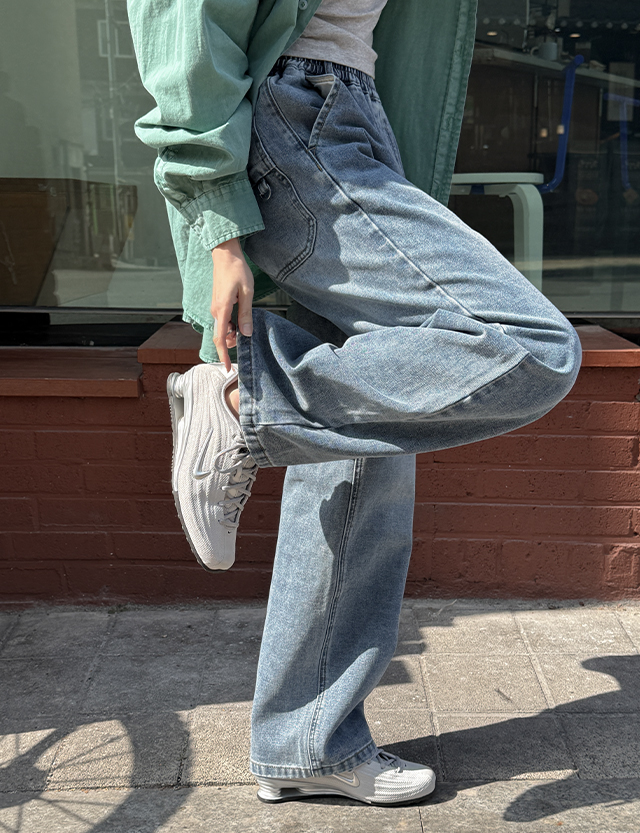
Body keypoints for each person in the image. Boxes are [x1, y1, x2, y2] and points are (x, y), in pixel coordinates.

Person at [127, 0, 582, 807]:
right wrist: (216, 227)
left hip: (349, 116)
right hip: (296, 118)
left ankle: (307, 743)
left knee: (364, 451)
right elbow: (185, 21)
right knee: (531, 344)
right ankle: (245, 398)